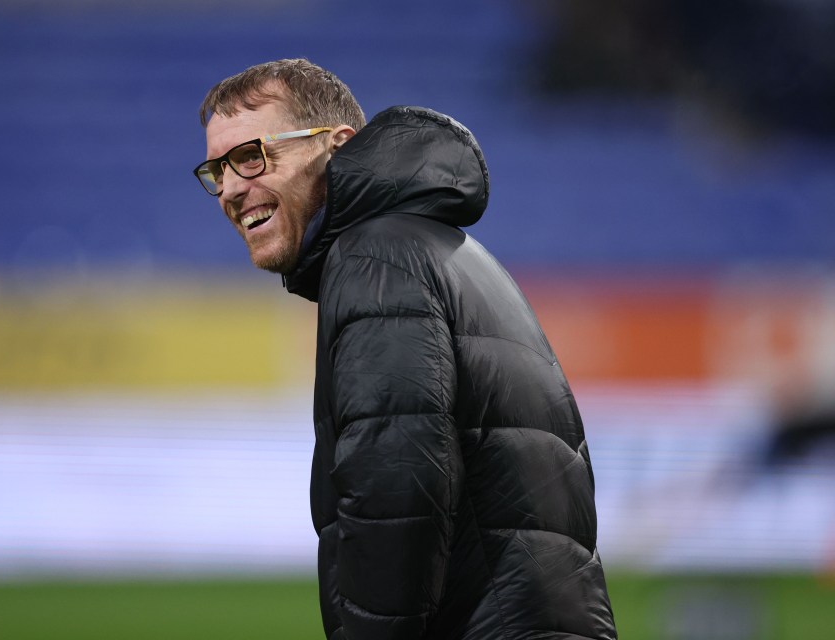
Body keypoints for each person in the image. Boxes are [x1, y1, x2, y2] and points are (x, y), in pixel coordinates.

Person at [196, 58, 617, 640]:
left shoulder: (374, 257)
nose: (233, 188)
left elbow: (398, 493)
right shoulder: (437, 248)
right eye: (217, 170)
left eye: (252, 156)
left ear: (336, 146)